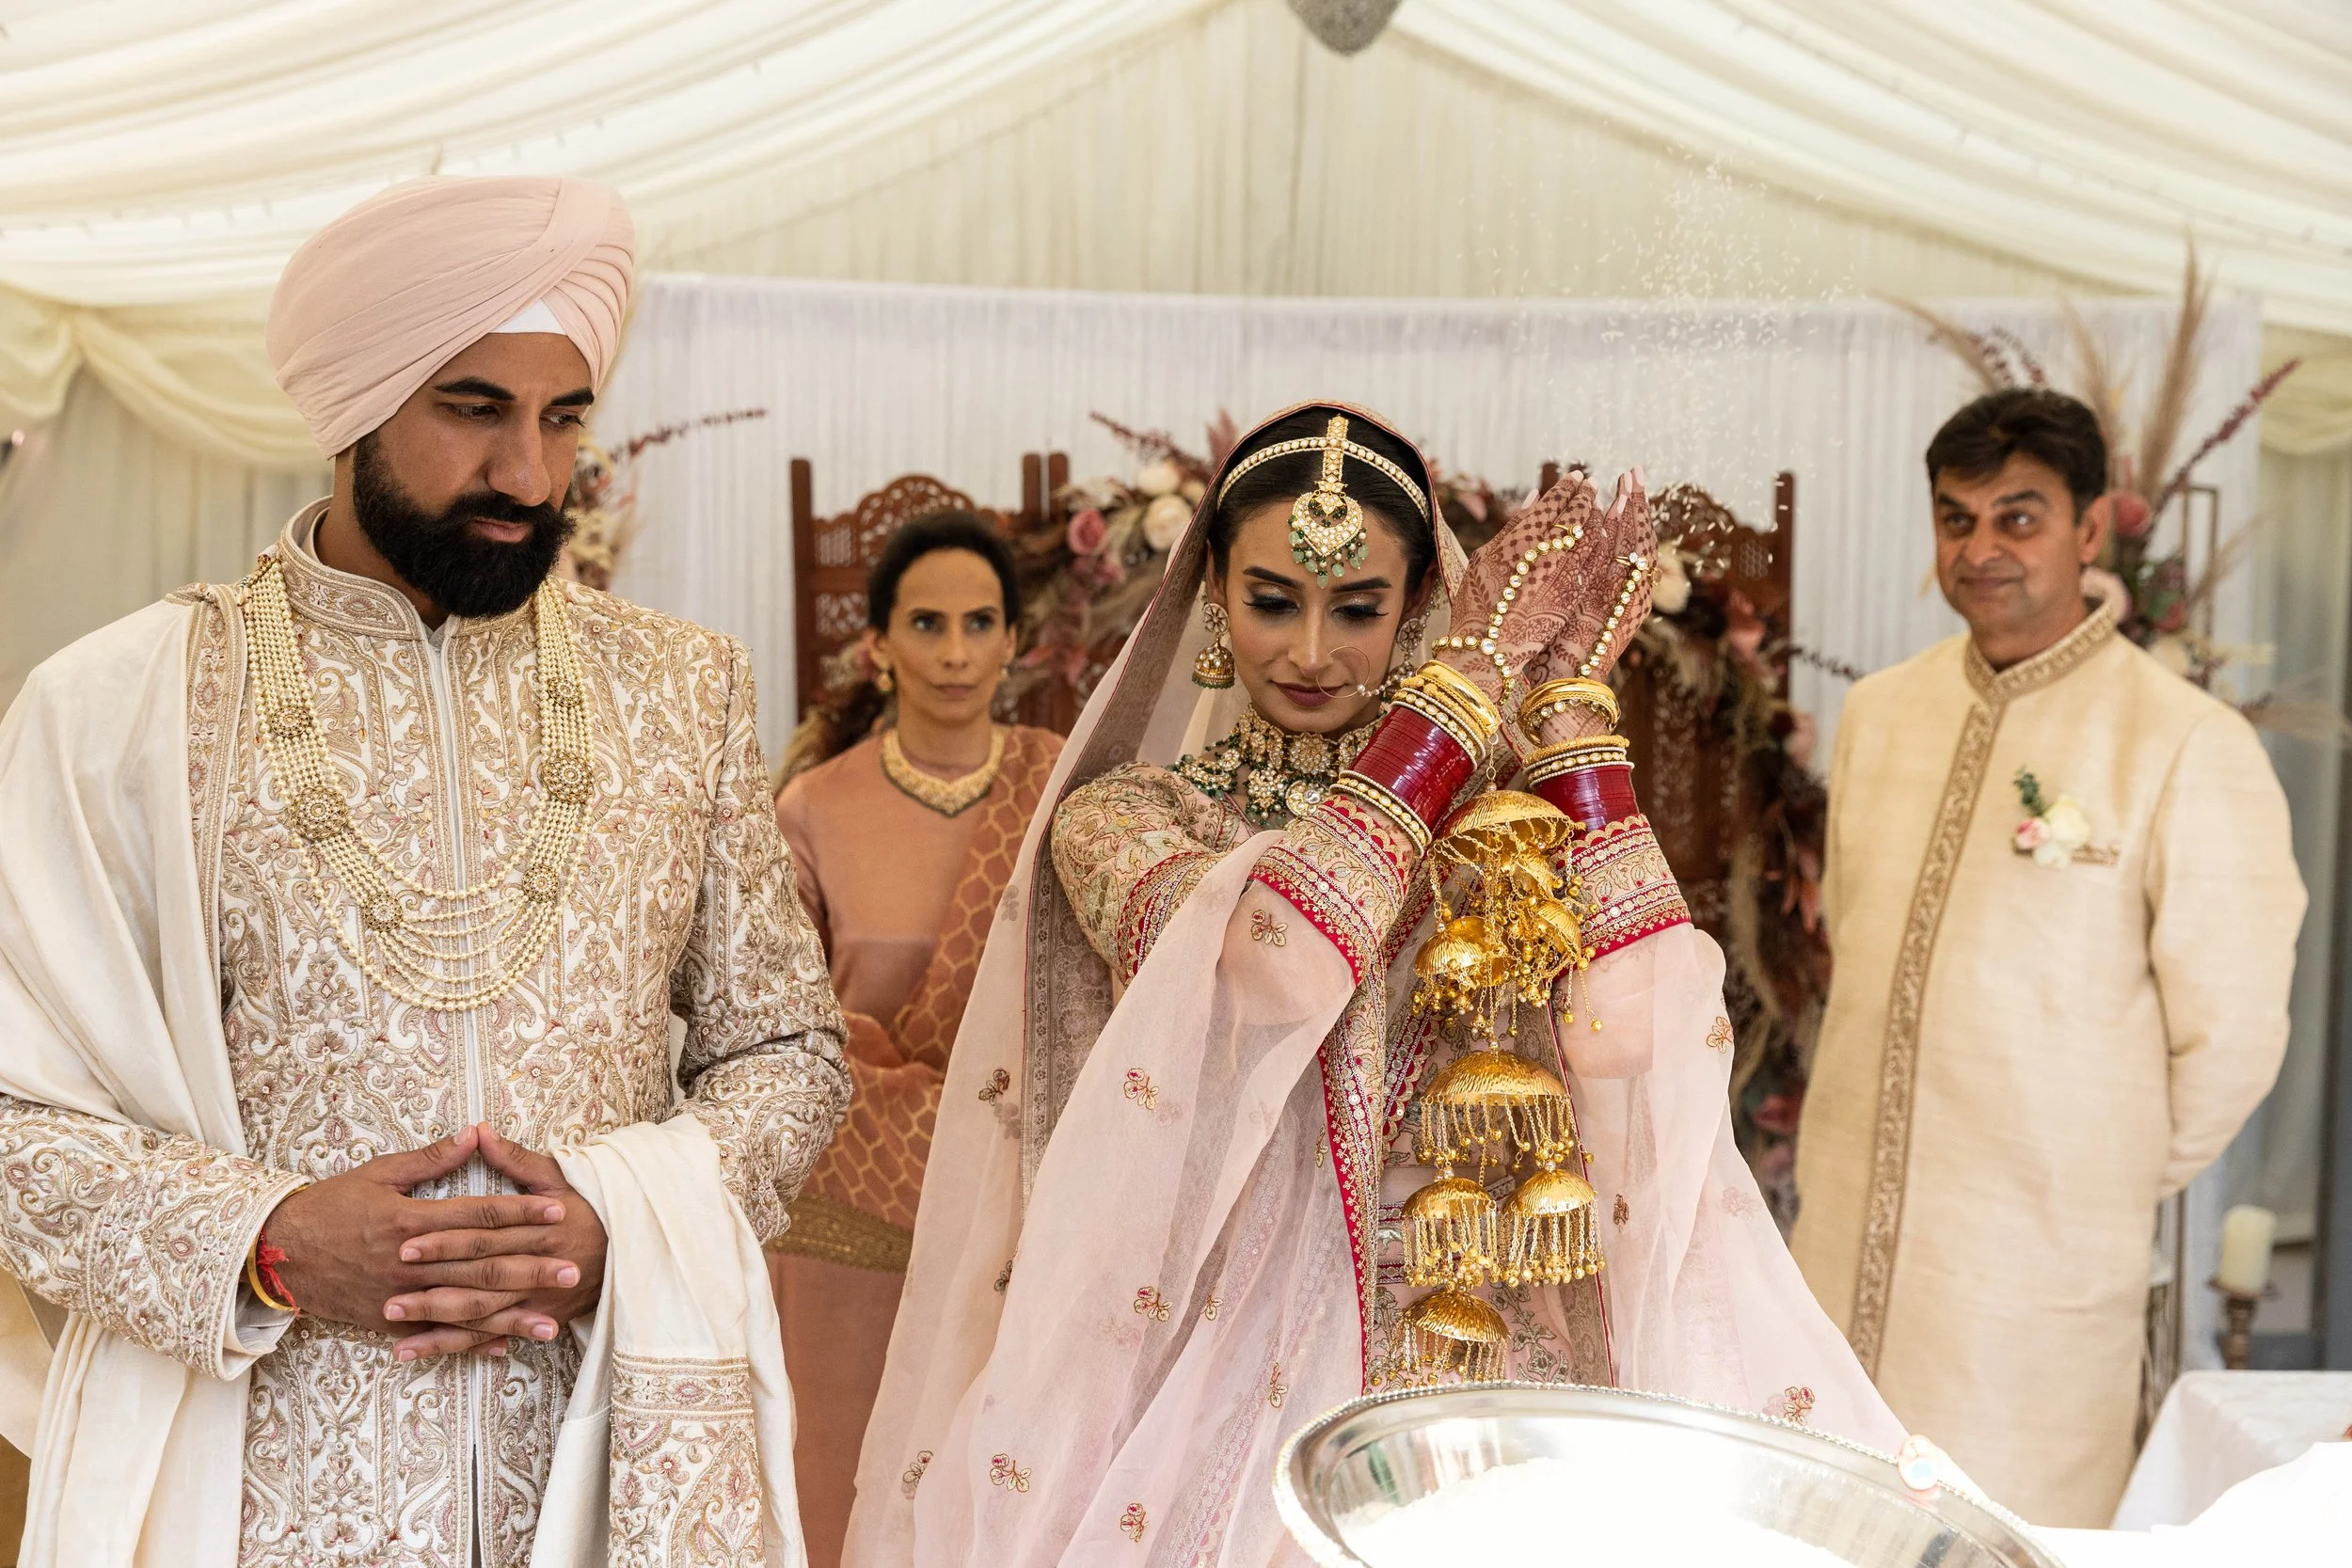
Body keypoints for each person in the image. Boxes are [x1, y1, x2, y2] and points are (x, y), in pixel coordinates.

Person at [845, 405, 1904, 1567]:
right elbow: (1280, 958)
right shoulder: (1129, 819)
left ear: (1412, 608)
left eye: (1357, 609)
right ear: (1210, 594)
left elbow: (1634, 1034)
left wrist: (1566, 719)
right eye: (1271, 600)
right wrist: (1461, 693)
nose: (1309, 650)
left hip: (1487, 1361)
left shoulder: (1487, 818)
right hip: (1218, 1360)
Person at [0, 176, 850, 1568]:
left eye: (563, 415)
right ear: (355, 407)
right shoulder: (121, 707)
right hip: (263, 1479)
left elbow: (788, 1048)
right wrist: (266, 1241)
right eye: (474, 407)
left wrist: (620, 1225)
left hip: (599, 1455)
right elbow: (13, 1119)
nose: (529, 471)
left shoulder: (679, 689)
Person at [1793, 388, 2304, 1527]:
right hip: (1832, 1246)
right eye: (1954, 517)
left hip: (2033, 1283)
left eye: (2016, 518)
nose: (1980, 549)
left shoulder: (2182, 741)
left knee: (2009, 1534)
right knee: (1817, 1526)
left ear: (2090, 529)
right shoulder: (1877, 714)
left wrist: (2093, 1170)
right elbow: (1852, 949)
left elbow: (2231, 1037)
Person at [771, 512, 1063, 1568]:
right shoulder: (812, 807)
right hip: (845, 1214)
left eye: (977, 623)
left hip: (1018, 1213)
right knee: (835, 1493)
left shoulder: (1067, 797)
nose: (952, 651)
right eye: (926, 623)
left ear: (1014, 642)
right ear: (877, 644)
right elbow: (781, 1018)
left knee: (992, 1490)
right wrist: (945, 1120)